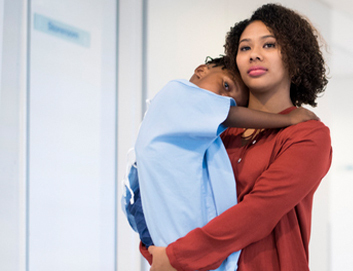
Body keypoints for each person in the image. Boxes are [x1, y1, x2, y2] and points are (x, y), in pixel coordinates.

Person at [144, 4, 332, 271]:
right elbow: (164, 185)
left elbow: (257, 212)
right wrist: (155, 246)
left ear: (294, 56)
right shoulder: (215, 131)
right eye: (245, 48)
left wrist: (177, 256)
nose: (254, 55)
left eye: (268, 45)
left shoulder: (307, 135)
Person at [122, 56, 319, 271]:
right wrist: (287, 120)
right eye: (226, 86)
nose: (226, 100)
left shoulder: (211, 137)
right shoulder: (177, 91)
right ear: (201, 71)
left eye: (234, 101)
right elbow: (229, 115)